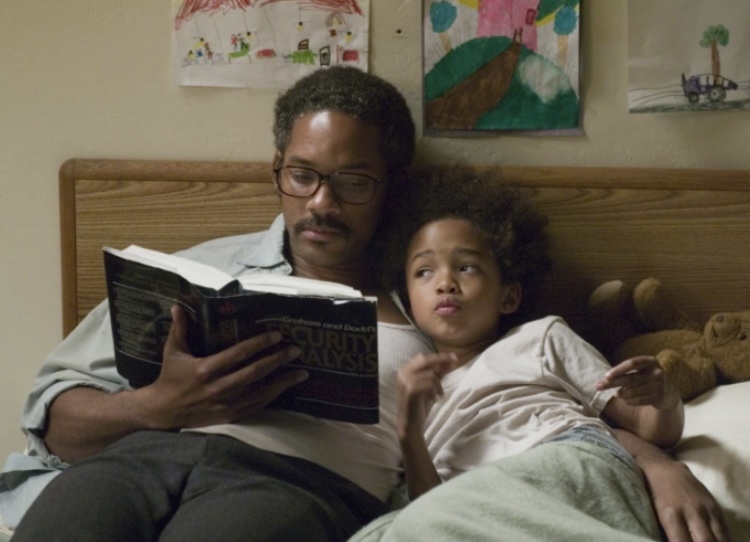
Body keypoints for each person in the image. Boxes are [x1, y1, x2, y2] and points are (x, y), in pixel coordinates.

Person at [0, 67, 727, 542]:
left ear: (391, 184)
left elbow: (537, 409)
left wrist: (657, 463)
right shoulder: (197, 271)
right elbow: (53, 420)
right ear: (277, 171)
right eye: (302, 176)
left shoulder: (437, 306)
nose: (321, 202)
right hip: (139, 458)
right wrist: (156, 407)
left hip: (296, 488)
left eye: (351, 181)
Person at [364, 166, 683, 540]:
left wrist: (664, 399)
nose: (445, 282)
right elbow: (430, 511)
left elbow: (649, 428)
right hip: (469, 505)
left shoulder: (539, 337)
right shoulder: (414, 390)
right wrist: (409, 432)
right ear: (407, 299)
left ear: (509, 296)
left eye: (466, 267)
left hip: (562, 458)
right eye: (424, 271)